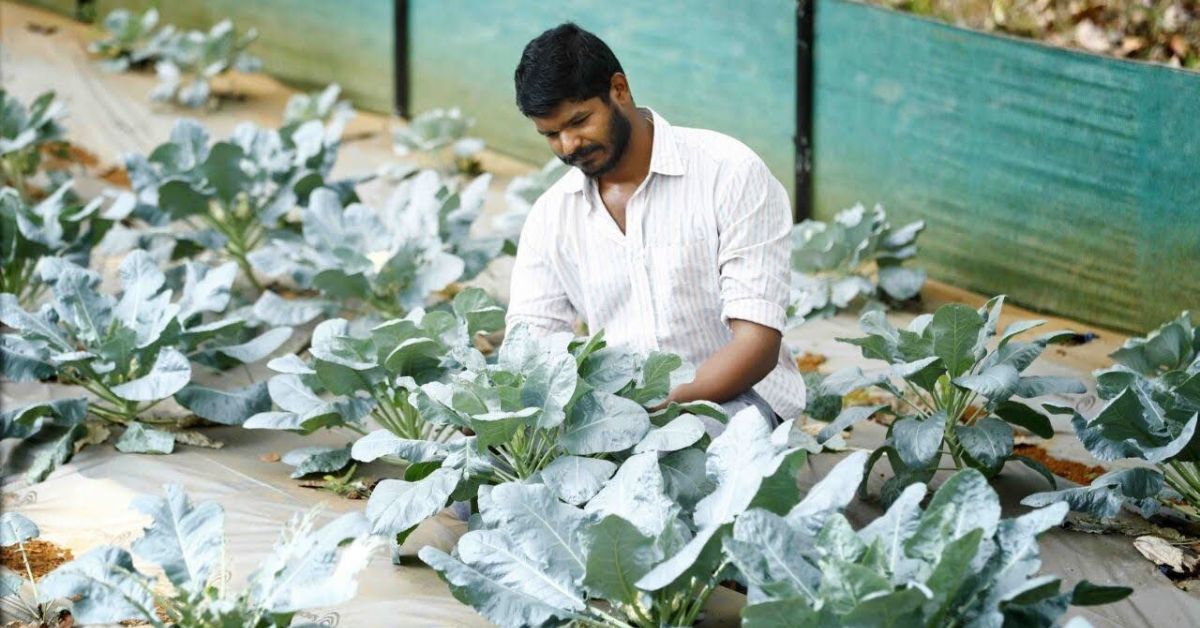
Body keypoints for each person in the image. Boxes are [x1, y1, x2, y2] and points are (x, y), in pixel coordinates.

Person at [506, 22, 804, 427]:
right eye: (551, 134)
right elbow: (531, 345)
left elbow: (758, 345)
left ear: (619, 89)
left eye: (579, 121)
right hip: (615, 419)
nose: (568, 145)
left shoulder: (729, 172)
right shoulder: (550, 215)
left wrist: (652, 409)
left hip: (735, 404)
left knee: (679, 461)